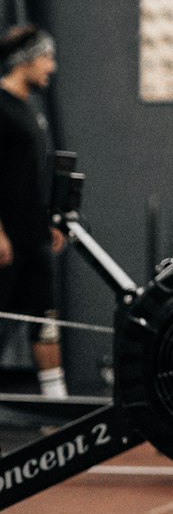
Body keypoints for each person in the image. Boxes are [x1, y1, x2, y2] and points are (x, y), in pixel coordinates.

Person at [0, 24, 67, 399]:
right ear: (24, 59)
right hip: (5, 241)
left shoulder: (30, 111)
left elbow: (30, 176)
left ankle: (54, 409)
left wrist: (48, 221)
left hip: (33, 238)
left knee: (45, 320)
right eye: (47, 57)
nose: (51, 67)